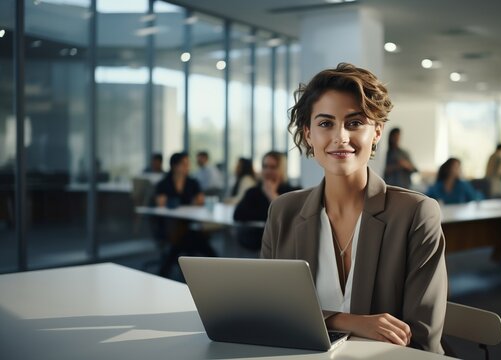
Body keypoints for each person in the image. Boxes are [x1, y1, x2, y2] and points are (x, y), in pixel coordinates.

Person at [261, 63, 447, 353]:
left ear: (376, 132)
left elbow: (421, 338)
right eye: (325, 124)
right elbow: (270, 314)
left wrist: (325, 320)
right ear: (308, 134)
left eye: (355, 122)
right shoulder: (283, 211)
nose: (341, 137)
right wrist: (351, 321)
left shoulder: (416, 214)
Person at [155, 152, 215, 277]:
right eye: (184, 164)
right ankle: (216, 262)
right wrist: (189, 201)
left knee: (187, 236)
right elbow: (160, 202)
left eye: (188, 164)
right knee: (194, 237)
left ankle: (166, 269)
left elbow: (200, 200)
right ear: (174, 166)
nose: (187, 167)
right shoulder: (164, 183)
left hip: (189, 223)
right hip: (169, 225)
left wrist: (174, 201)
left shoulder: (192, 182)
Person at [234, 151, 298, 249]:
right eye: (265, 166)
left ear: (282, 169)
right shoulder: (254, 191)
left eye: (273, 167)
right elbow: (238, 214)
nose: (268, 171)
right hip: (257, 240)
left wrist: (272, 196)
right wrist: (268, 217)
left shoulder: (294, 192)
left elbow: (290, 218)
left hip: (286, 242)